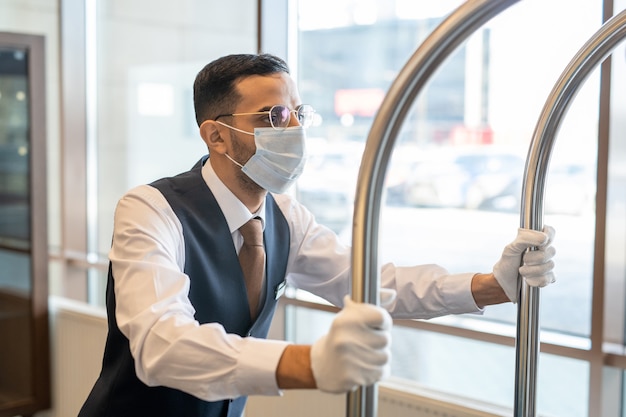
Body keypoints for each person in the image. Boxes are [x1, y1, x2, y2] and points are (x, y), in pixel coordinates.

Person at [78, 53, 556, 417]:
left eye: (297, 114)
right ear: (216, 136)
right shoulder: (151, 209)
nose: (294, 132)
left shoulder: (285, 216)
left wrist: (493, 286)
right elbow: (163, 344)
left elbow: (374, 284)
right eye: (273, 117)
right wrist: (311, 363)